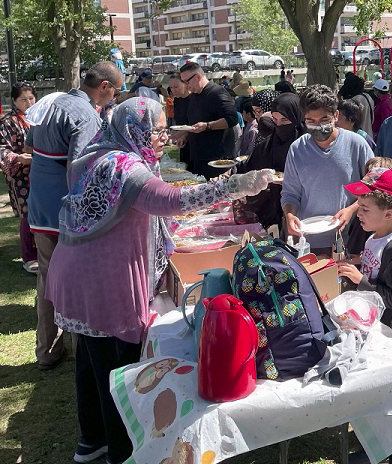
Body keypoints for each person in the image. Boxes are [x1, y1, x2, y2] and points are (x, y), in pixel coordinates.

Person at [47, 97, 273, 464]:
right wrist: (235, 185)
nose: (162, 138)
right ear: (134, 129)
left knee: (90, 361)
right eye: (155, 130)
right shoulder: (126, 168)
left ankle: (91, 442)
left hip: (77, 270)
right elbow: (170, 201)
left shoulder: (97, 151)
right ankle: (122, 452)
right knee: (115, 373)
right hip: (102, 281)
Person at [27, 62, 122, 370]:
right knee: (76, 282)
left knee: (46, 279)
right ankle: (82, 352)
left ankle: (48, 351)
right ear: (104, 87)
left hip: (40, 205)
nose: (114, 98)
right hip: (66, 211)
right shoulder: (85, 114)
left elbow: (30, 145)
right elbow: (81, 168)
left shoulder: (52, 101)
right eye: (115, 91)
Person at [336, 167, 392, 464]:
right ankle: (373, 447)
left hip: (390, 338)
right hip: (371, 331)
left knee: (386, 403)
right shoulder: (374, 238)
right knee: (371, 398)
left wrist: (361, 280)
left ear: (389, 214)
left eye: (365, 208)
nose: (358, 213)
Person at [281, 85, 374, 251]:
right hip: (308, 241)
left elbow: (373, 187)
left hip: (350, 240)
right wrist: (290, 215)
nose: (318, 127)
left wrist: (351, 210)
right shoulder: (297, 149)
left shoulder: (357, 145)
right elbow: (290, 193)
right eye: (311, 121)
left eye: (324, 120)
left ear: (336, 116)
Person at [240, 93, 306, 230]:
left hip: (304, 210)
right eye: (275, 120)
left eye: (285, 120)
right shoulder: (269, 144)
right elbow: (251, 166)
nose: (280, 125)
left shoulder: (308, 145)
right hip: (273, 209)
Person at [0, 82, 38, 274]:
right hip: (21, 174)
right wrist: (17, 158)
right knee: (28, 213)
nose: (28, 103)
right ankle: (29, 256)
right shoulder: (8, 122)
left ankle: (45, 251)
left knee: (43, 211)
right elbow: (0, 150)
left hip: (43, 172)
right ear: (13, 100)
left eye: (31, 98)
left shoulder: (41, 117)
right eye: (23, 100)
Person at [172, 63, 238, 179]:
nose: (186, 86)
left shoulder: (217, 92)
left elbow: (232, 119)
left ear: (197, 77)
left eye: (187, 81)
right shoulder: (193, 96)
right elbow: (195, 123)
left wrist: (208, 126)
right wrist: (186, 135)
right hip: (199, 157)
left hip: (217, 158)